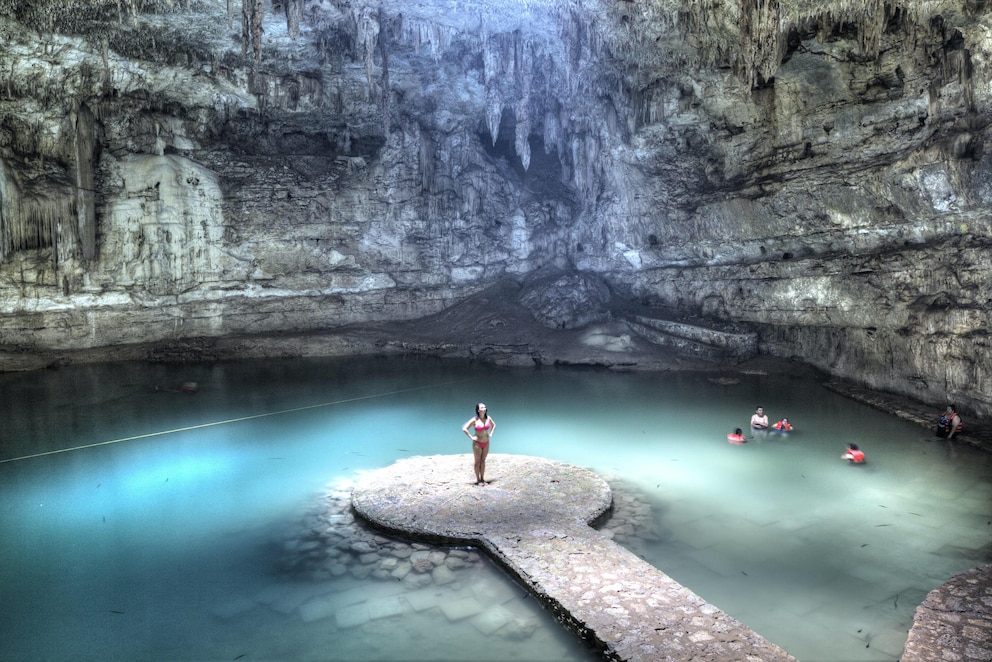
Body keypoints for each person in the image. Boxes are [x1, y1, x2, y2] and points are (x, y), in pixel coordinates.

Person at [462, 402, 495, 485]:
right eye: (482, 407)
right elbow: (465, 428)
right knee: (477, 462)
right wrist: (471, 437)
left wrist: (491, 433)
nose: (484, 408)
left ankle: (482, 479)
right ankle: (478, 480)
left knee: (483, 461)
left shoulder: (488, 418)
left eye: (485, 407)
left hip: (486, 442)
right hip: (477, 443)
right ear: (478, 410)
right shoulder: (475, 420)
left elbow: (494, 425)